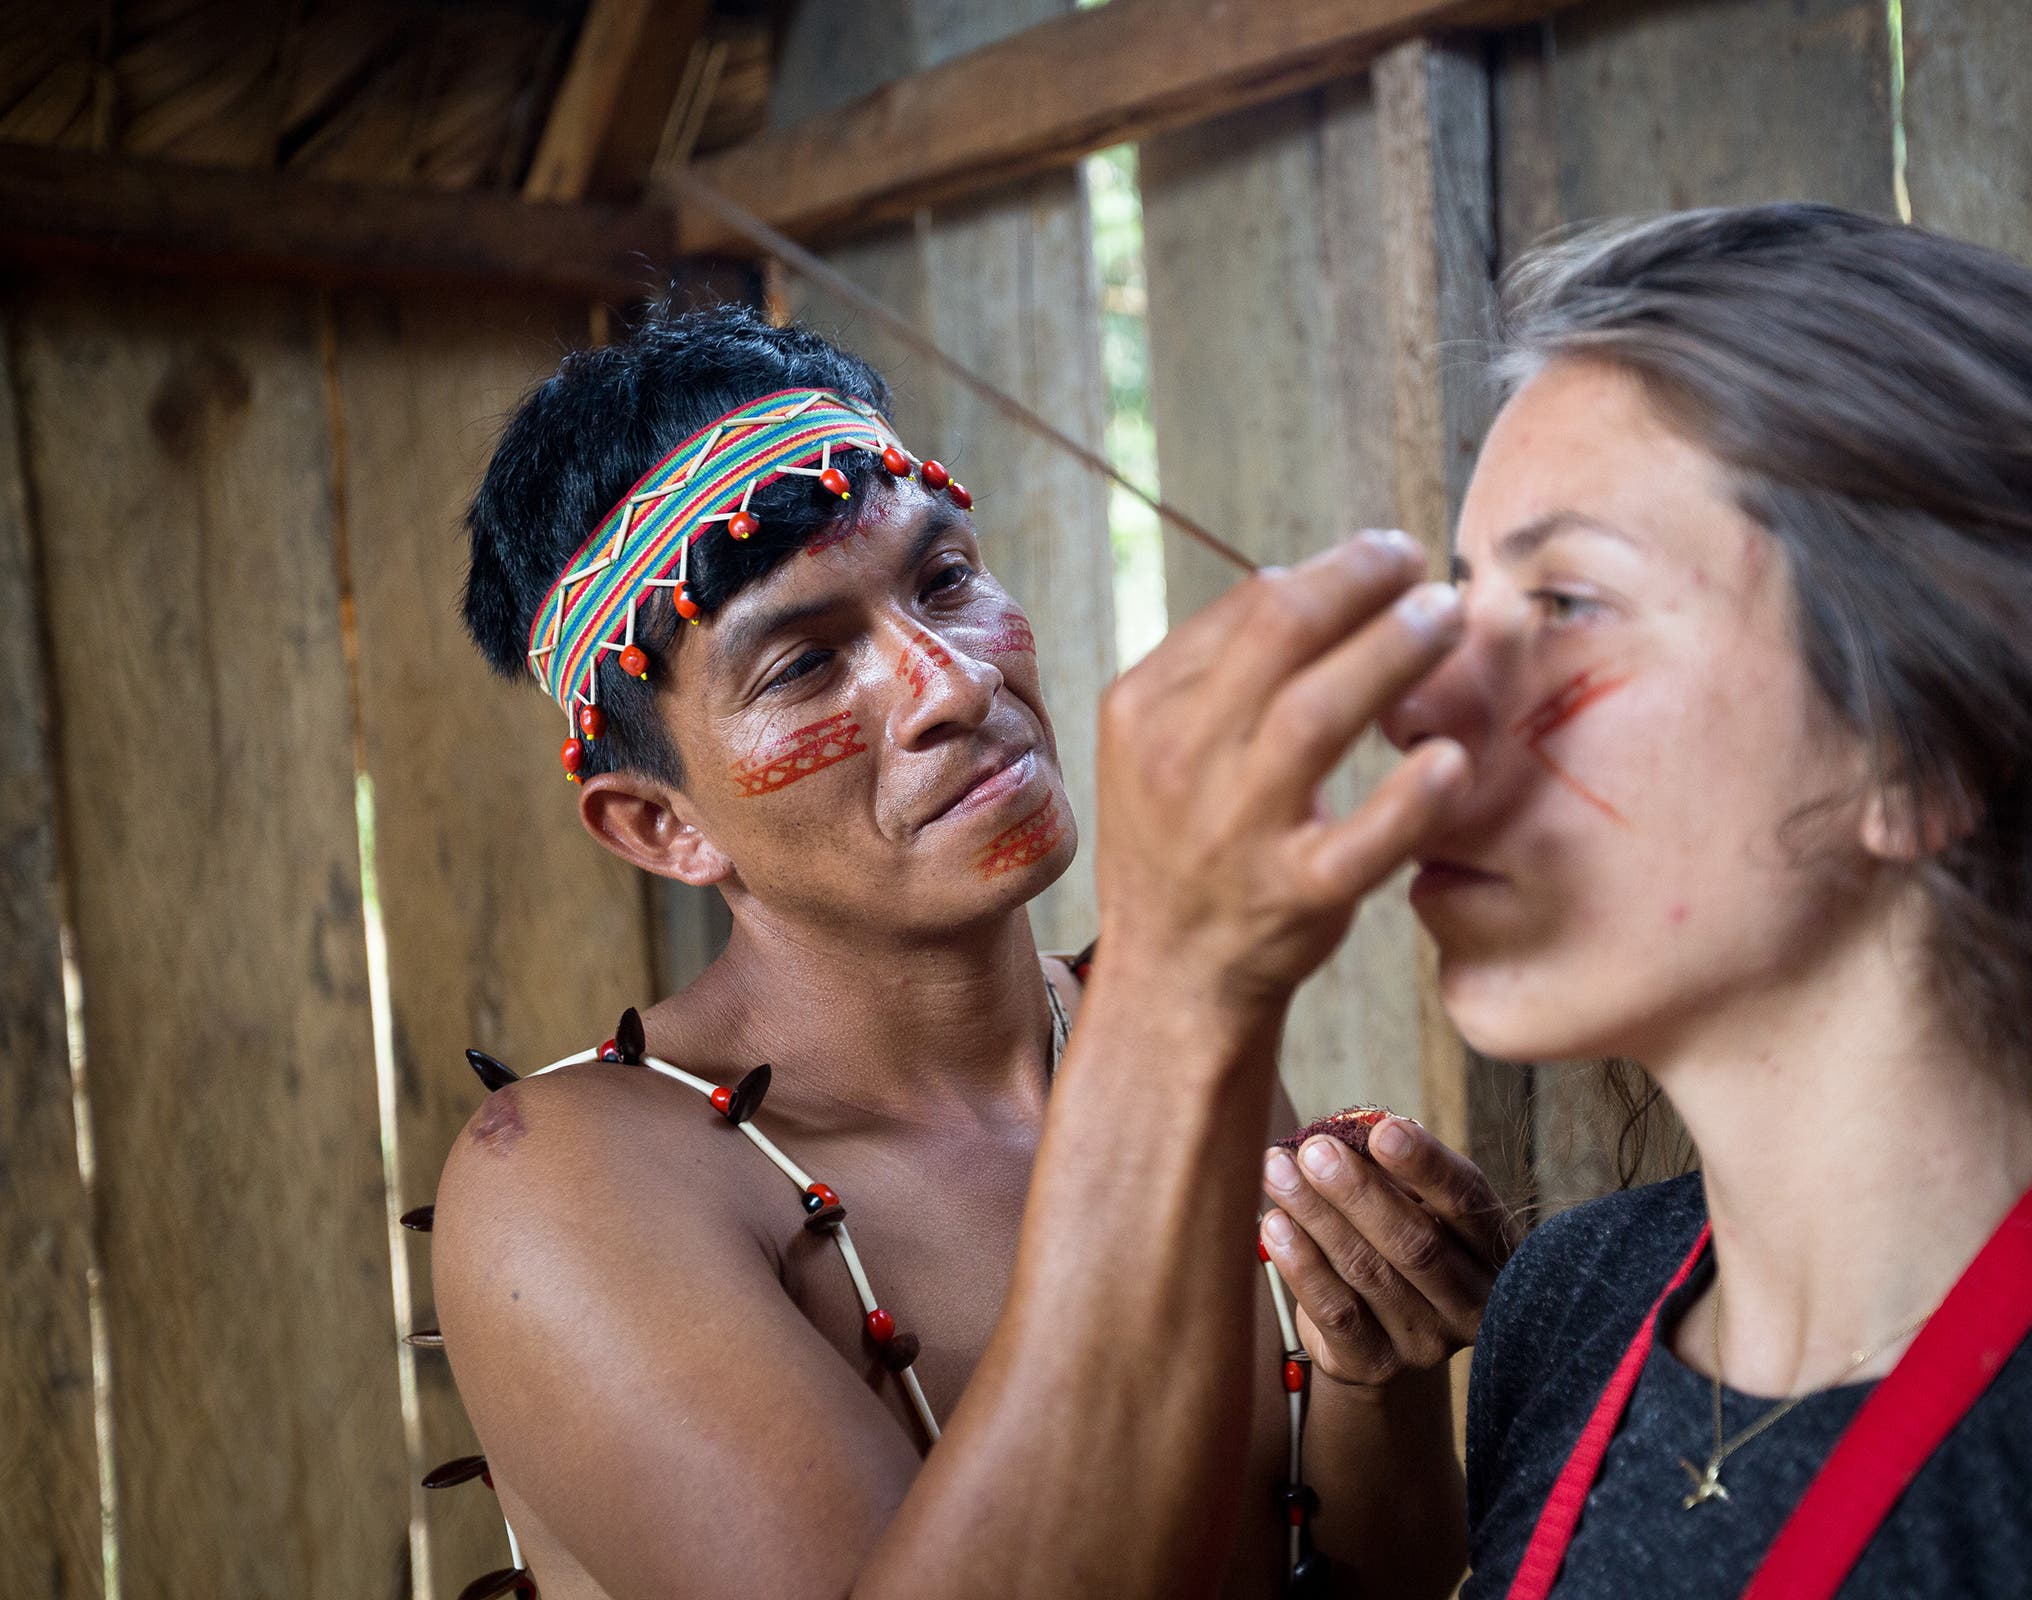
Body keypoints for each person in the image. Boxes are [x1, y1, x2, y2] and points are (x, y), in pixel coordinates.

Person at [1238, 204, 2032, 1596]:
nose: (1420, 708)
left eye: (1566, 605)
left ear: (1933, 748)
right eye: (1461, 602)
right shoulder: (1564, 1305)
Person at [429, 308, 1470, 1599]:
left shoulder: (1127, 1036)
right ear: (663, 825)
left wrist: (1383, 1378)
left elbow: (1372, 1573)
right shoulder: (574, 1184)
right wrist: (1180, 997)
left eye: (946, 583)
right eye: (807, 665)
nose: (954, 685)